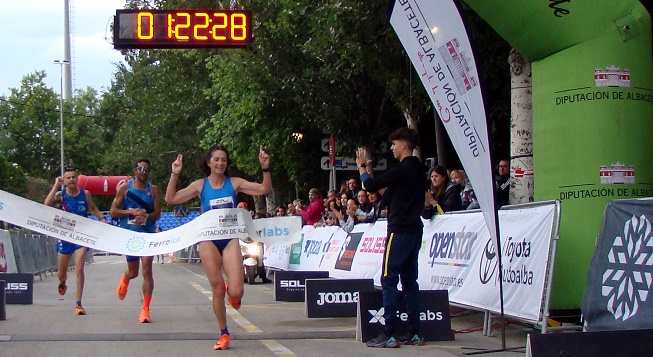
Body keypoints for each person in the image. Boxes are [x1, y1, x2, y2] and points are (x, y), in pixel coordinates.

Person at [165, 145, 271, 351]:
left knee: (238, 291)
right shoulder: (200, 186)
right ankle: (224, 333)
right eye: (216, 159)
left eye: (223, 159)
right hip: (208, 240)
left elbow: (264, 189)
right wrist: (174, 174)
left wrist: (265, 169)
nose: (220, 163)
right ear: (209, 162)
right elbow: (171, 199)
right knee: (217, 289)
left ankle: (234, 295)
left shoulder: (234, 183)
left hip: (229, 238)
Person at [356, 127, 426, 348]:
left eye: (394, 144)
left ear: (404, 145)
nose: (392, 148)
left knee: (389, 279)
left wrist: (362, 167)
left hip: (399, 230)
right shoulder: (419, 170)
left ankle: (389, 332)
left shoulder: (403, 169)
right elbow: (399, 192)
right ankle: (414, 331)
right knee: (410, 281)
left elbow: (369, 186)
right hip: (415, 229)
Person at [44, 166, 108, 316]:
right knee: (61, 272)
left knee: (79, 268)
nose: (72, 180)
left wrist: (102, 218)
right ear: (64, 181)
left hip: (81, 235)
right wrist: (55, 185)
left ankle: (78, 303)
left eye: (74, 177)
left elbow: (93, 208)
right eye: (68, 178)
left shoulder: (85, 194)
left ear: (78, 179)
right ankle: (63, 281)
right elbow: (46, 205)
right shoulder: (61, 195)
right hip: (65, 236)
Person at [109, 158, 162, 323]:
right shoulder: (125, 188)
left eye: (147, 169)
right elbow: (113, 211)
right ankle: (125, 279)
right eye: (140, 168)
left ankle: (145, 309)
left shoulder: (153, 190)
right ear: (134, 170)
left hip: (147, 235)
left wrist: (146, 216)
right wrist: (130, 212)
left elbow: (157, 214)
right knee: (134, 272)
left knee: (147, 272)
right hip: (130, 236)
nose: (143, 172)